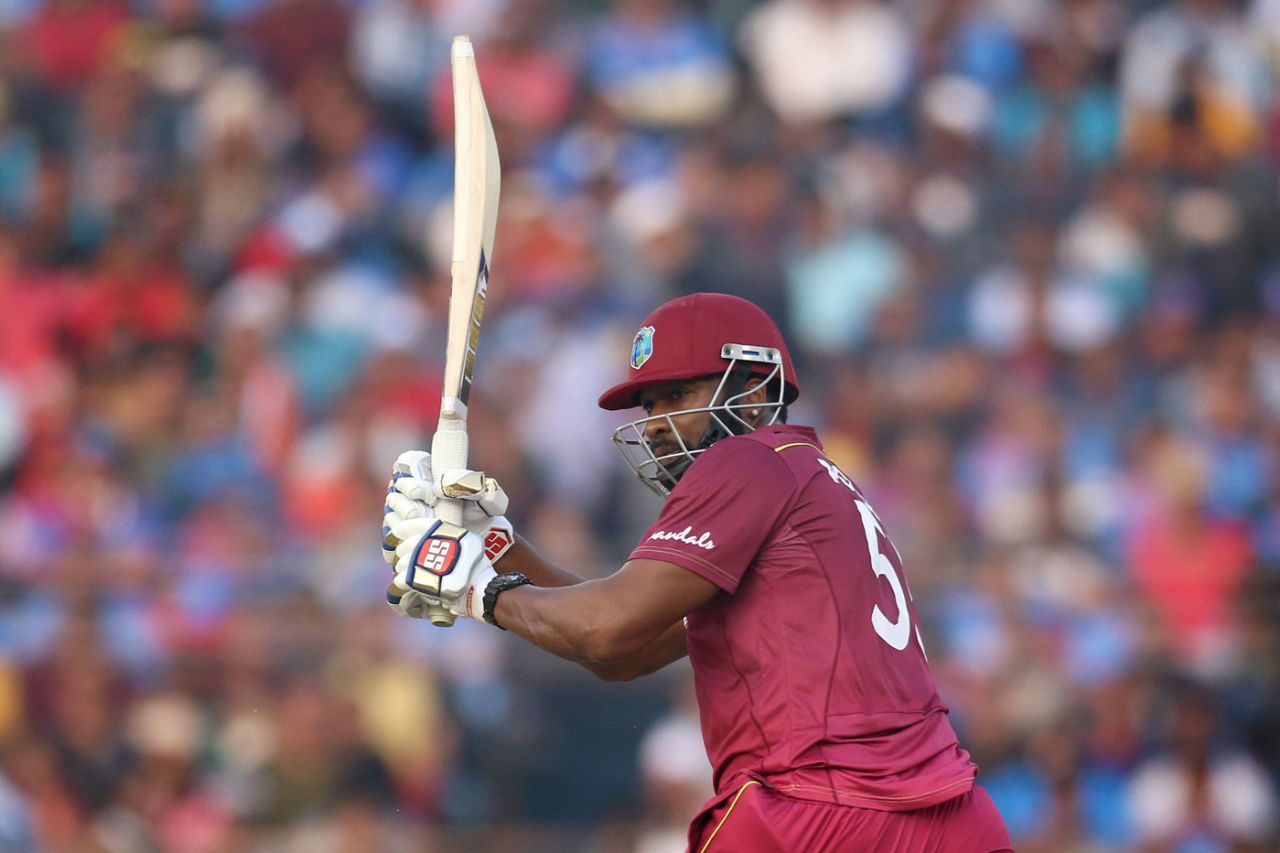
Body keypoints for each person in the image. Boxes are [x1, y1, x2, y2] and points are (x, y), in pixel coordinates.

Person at [382, 292, 1011, 851]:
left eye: (677, 397)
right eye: (648, 405)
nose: (654, 425)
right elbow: (623, 651)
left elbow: (604, 629)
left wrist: (470, 587)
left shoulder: (745, 461)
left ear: (757, 391)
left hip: (817, 811)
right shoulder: (809, 480)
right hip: (953, 818)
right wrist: (494, 545)